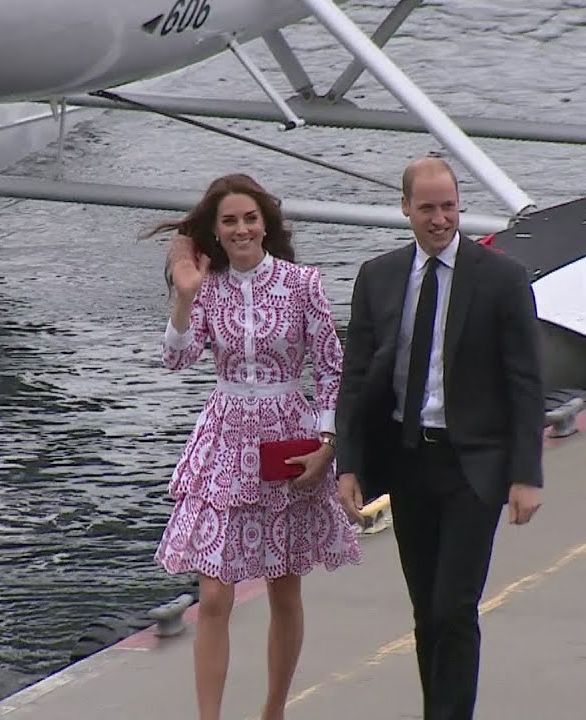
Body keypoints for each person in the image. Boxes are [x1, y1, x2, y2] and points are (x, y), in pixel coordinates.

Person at [334, 157, 545, 720]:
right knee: (427, 612)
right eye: (427, 208)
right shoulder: (378, 277)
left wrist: (526, 474)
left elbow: (526, 382)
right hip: (407, 462)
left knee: (454, 607)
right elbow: (356, 377)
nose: (439, 219)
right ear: (405, 207)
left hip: (473, 466)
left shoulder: (501, 279)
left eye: (448, 207)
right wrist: (348, 465)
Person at [151, 173, 363, 720]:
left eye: (250, 218)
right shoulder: (208, 286)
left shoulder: (302, 283)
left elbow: (332, 368)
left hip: (287, 434)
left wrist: (327, 444)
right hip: (225, 437)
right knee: (214, 594)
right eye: (229, 221)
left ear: (266, 224)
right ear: (216, 230)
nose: (241, 229)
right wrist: (184, 296)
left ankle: (273, 710)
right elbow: (176, 359)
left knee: (283, 586)